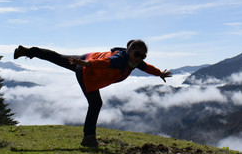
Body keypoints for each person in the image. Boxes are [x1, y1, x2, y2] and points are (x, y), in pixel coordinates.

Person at [13, 39, 172, 147]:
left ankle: (27, 51)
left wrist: (160, 73)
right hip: (87, 69)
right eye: (137, 54)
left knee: (57, 57)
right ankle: (89, 138)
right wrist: (85, 64)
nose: (139, 58)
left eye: (142, 56)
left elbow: (147, 67)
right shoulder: (119, 60)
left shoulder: (134, 61)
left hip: (86, 59)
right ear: (129, 51)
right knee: (96, 103)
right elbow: (104, 63)